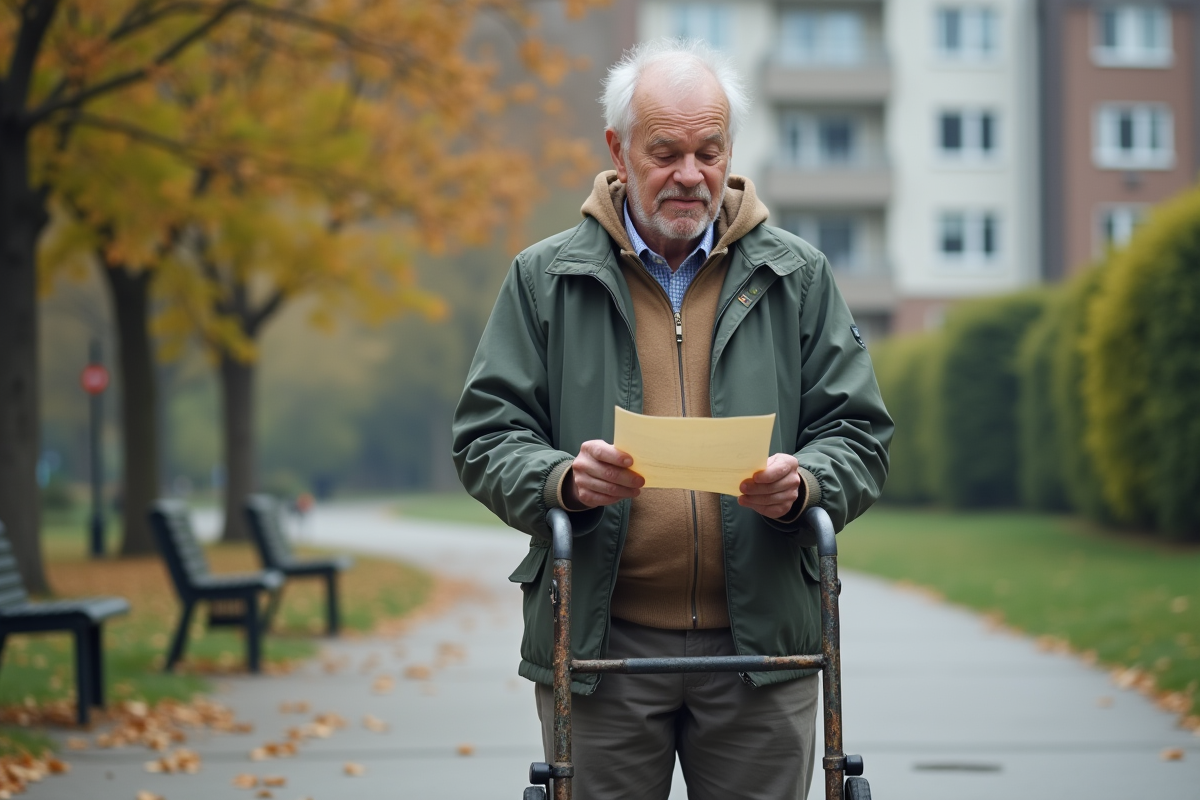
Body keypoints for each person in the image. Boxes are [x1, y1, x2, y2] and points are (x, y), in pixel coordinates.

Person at [452, 38, 892, 800]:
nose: (691, 174)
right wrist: (562, 480)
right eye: (666, 153)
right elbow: (486, 435)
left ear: (730, 152)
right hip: (601, 649)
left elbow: (859, 432)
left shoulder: (798, 276)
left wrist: (805, 484)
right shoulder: (544, 279)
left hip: (764, 650)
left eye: (708, 151)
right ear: (618, 151)